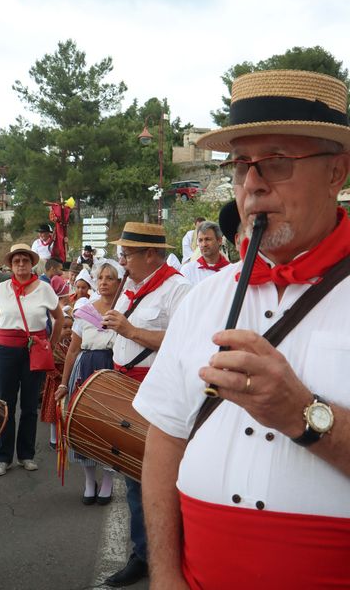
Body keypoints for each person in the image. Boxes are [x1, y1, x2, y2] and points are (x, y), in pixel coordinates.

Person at [133, 69, 350, 589]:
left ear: (336, 172)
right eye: (241, 166)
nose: (251, 184)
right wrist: (164, 577)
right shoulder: (205, 296)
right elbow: (165, 442)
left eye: (276, 161)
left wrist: (302, 414)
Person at [100, 222, 191, 587]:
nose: (123, 260)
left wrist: (130, 331)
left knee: (151, 480)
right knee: (133, 477)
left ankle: (155, 556)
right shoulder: (131, 287)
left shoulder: (178, 288)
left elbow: (184, 341)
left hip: (158, 394)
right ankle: (145, 551)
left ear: (151, 254)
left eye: (128, 253)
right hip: (127, 390)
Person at [0, 243, 63, 477]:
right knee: (5, 404)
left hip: (34, 351)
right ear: (11, 265)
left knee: (29, 406)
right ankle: (3, 457)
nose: (20, 265)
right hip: (6, 351)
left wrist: (52, 345)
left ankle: (26, 455)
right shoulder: (2, 289)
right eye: (16, 261)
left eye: (25, 261)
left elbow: (58, 317)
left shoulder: (44, 289)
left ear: (31, 263)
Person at [55, 263, 121, 504]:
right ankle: (88, 479)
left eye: (110, 278)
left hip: (112, 371)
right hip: (85, 369)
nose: (104, 282)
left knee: (109, 426)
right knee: (84, 425)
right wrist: (63, 384)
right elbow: (72, 351)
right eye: (100, 278)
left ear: (119, 282)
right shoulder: (84, 311)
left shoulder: (126, 310)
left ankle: (107, 480)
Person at [41, 312, 73, 450]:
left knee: (68, 412)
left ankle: (66, 438)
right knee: (55, 413)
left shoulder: (72, 345)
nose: (68, 330)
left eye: (71, 327)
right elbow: (47, 366)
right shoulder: (52, 346)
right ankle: (54, 439)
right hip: (56, 384)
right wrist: (60, 377)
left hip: (70, 383)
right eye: (64, 327)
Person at [180, 221, 229, 285]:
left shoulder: (230, 270)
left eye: (208, 239)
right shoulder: (188, 270)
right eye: (200, 240)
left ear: (219, 240)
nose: (204, 244)